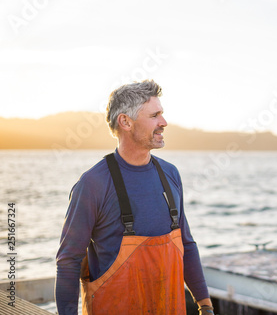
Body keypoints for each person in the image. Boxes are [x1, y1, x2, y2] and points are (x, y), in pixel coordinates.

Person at [55, 80, 214, 315]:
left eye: (162, 114)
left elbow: (186, 245)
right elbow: (69, 260)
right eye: (155, 115)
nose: (164, 122)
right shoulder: (93, 184)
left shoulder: (170, 174)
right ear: (125, 122)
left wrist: (205, 305)